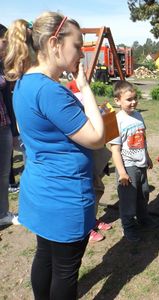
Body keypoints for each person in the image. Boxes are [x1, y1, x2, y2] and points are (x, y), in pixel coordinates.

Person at [5, 12, 105, 299]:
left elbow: (26, 130)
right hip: (65, 196)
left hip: (40, 191)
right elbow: (97, 138)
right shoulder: (51, 91)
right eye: (78, 45)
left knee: (45, 256)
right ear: (54, 43)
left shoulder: (23, 83)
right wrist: (85, 89)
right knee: (65, 270)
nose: (81, 54)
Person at [65, 78, 112, 243]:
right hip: (81, 164)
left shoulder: (91, 111)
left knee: (97, 189)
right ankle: (86, 228)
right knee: (84, 196)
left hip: (94, 160)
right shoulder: (70, 117)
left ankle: (92, 220)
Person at [109, 80, 156, 243]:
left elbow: (142, 138)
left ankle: (144, 218)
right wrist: (122, 172)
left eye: (135, 98)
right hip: (127, 167)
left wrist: (147, 156)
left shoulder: (138, 115)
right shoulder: (116, 121)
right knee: (128, 200)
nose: (134, 102)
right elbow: (115, 150)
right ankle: (129, 227)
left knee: (143, 194)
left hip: (141, 164)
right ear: (117, 101)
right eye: (129, 99)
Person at [0, 23, 19, 226]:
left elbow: (7, 97)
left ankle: (3, 213)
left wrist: (13, 131)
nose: (6, 46)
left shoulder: (1, 64)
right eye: (4, 42)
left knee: (4, 173)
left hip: (3, 125)